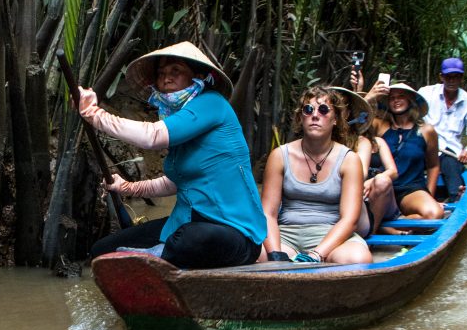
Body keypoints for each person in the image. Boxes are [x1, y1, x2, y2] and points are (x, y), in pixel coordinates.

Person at [78, 41, 266, 269]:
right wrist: (129, 187)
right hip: (185, 225)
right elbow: (175, 183)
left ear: (196, 76)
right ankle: (157, 256)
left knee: (189, 239)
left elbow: (152, 137)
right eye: (161, 73)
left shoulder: (212, 103)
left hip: (233, 233)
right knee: (102, 250)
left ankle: (156, 257)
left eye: (175, 71)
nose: (166, 78)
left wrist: (96, 115)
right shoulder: (179, 121)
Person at [260, 86, 372, 265]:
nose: (315, 115)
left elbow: (350, 219)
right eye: (308, 109)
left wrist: (317, 254)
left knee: (357, 258)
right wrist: (275, 254)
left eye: (324, 110)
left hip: (331, 235)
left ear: (335, 119)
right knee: (255, 253)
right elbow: (268, 213)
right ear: (300, 117)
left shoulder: (349, 160)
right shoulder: (280, 155)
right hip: (287, 233)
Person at [369, 83, 445, 220]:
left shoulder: (426, 131)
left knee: (434, 214)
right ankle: (386, 224)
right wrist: (369, 96)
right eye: (392, 98)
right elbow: (353, 124)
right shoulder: (379, 126)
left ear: (410, 100)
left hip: (411, 190)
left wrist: (429, 195)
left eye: (401, 96)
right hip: (382, 188)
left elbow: (433, 166)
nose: (396, 100)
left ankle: (398, 220)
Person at [417, 57, 467, 202]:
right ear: (441, 77)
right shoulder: (426, 93)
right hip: (424, 146)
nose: (452, 81)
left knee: (452, 172)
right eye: (448, 77)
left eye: (456, 77)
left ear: (462, 78)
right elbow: (411, 111)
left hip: (450, 152)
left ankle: (455, 198)